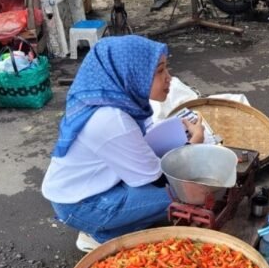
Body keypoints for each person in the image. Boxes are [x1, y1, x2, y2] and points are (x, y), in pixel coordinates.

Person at [41, 35, 205, 252]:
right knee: (190, 192)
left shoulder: (110, 99)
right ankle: (103, 234)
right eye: (159, 71)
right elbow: (158, 179)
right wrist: (195, 143)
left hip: (84, 190)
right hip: (82, 205)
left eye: (166, 68)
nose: (169, 78)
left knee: (175, 183)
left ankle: (113, 226)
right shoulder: (112, 119)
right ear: (131, 74)